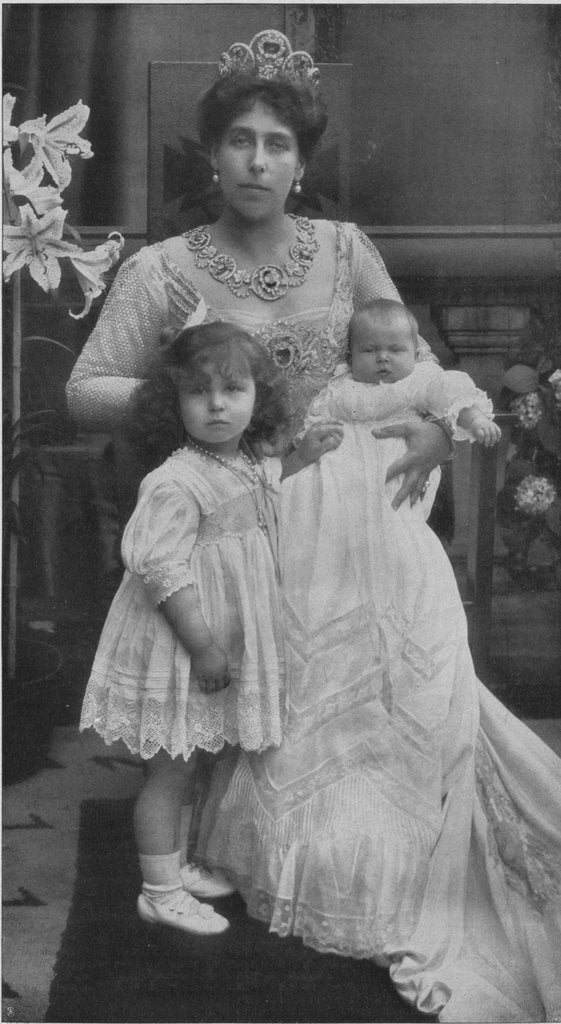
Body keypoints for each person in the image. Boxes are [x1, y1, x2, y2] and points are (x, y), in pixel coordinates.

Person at [65, 28, 561, 1020]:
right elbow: (85, 392)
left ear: (302, 159)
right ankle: (299, 865)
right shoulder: (164, 270)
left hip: (363, 509)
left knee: (423, 685)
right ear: (211, 154)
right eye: (241, 139)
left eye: (278, 143)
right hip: (247, 529)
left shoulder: (343, 249)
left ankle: (407, 858)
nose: (258, 160)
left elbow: (401, 363)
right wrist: (199, 402)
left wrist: (425, 426)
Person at [79, 320, 343, 935]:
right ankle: (159, 890)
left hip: (221, 630)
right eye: (199, 394)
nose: (218, 405)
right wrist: (202, 646)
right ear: (173, 405)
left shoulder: (245, 460)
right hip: (183, 637)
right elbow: (162, 569)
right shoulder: (173, 481)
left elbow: (264, 491)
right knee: (169, 770)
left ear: (259, 399)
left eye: (234, 390)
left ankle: (177, 865)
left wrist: (304, 454)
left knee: (197, 756)